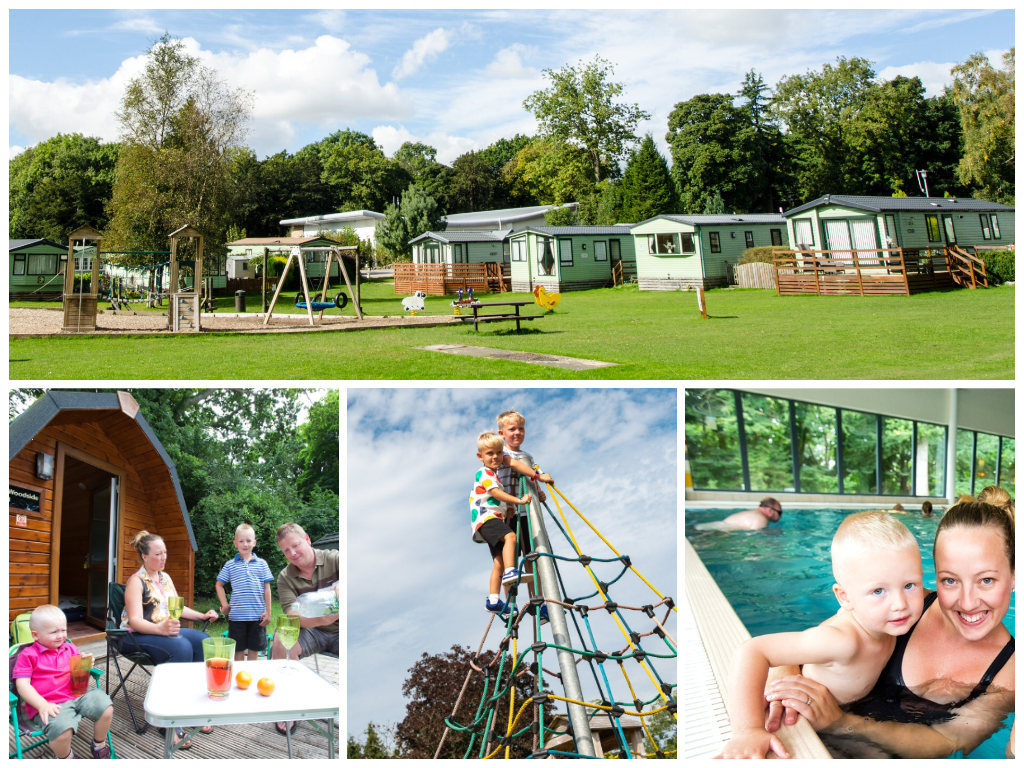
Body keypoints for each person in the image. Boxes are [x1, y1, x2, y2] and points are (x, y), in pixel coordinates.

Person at [765, 501, 1015, 758]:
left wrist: (839, 723)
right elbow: (805, 646)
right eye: (949, 580)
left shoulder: (1011, 669)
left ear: (1015, 576)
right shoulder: (902, 607)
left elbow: (949, 740)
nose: (968, 602)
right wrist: (779, 690)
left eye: (987, 580)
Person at [718, 511, 924, 758]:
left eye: (910, 585)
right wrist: (748, 729)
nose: (900, 603)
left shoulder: (885, 620)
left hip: (846, 711)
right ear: (845, 597)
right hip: (804, 721)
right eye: (879, 591)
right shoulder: (842, 640)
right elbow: (753, 650)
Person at [122, 530, 217, 748]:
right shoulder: (136, 582)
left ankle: (192, 707)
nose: (163, 557)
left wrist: (202, 615)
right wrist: (161, 629)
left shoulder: (165, 578)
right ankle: (167, 718)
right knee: (181, 646)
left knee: (203, 641)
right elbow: (135, 621)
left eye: (165, 552)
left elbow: (178, 608)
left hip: (164, 632)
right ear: (144, 556)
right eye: (158, 554)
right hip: (135, 636)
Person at [12, 605, 114, 759]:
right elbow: (22, 685)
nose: (61, 636)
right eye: (54, 632)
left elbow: (77, 672)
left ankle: (98, 744)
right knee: (61, 732)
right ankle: (66, 757)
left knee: (106, 707)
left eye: (63, 630)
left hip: (77, 693)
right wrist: (42, 705)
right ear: (35, 635)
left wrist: (86, 664)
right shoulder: (27, 655)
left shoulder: (69, 648)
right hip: (50, 704)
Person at [272, 522, 340, 735]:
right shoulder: (285, 577)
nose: (292, 553)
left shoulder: (336, 558)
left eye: (296, 545)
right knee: (282, 639)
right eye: (286, 550)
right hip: (313, 630)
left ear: (307, 539)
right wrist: (324, 621)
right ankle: (288, 708)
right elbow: (292, 616)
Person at [472, 431, 550, 614]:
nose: (496, 457)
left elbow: (497, 497)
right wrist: (518, 501)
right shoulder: (484, 472)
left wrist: (509, 507)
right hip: (487, 518)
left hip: (489, 520)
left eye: (499, 453)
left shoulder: (495, 475)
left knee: (498, 561)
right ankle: (510, 572)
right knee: (511, 537)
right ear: (480, 456)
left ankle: (493, 600)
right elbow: (496, 493)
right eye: (490, 453)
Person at [495, 410, 554, 622]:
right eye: (512, 429)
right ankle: (510, 605)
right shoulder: (501, 454)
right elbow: (514, 469)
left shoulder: (527, 456)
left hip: (527, 514)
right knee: (508, 562)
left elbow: (529, 478)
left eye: (521, 429)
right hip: (508, 514)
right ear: (502, 433)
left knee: (532, 560)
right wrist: (537, 475)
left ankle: (537, 602)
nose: (517, 433)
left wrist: (537, 491)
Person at [215, 523, 274, 661]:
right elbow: (219, 585)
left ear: (254, 543)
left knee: (254, 650)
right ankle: (239, 678)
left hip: (257, 617)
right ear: (235, 543)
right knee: (238, 650)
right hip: (236, 617)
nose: (245, 544)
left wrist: (268, 612)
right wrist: (224, 604)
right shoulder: (230, 565)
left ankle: (251, 677)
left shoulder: (262, 564)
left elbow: (267, 588)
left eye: (248, 541)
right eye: (241, 541)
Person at [696, 498, 782, 531]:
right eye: (779, 512)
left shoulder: (749, 513)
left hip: (707, 527)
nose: (780, 516)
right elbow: (754, 538)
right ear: (770, 510)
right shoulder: (761, 519)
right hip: (716, 533)